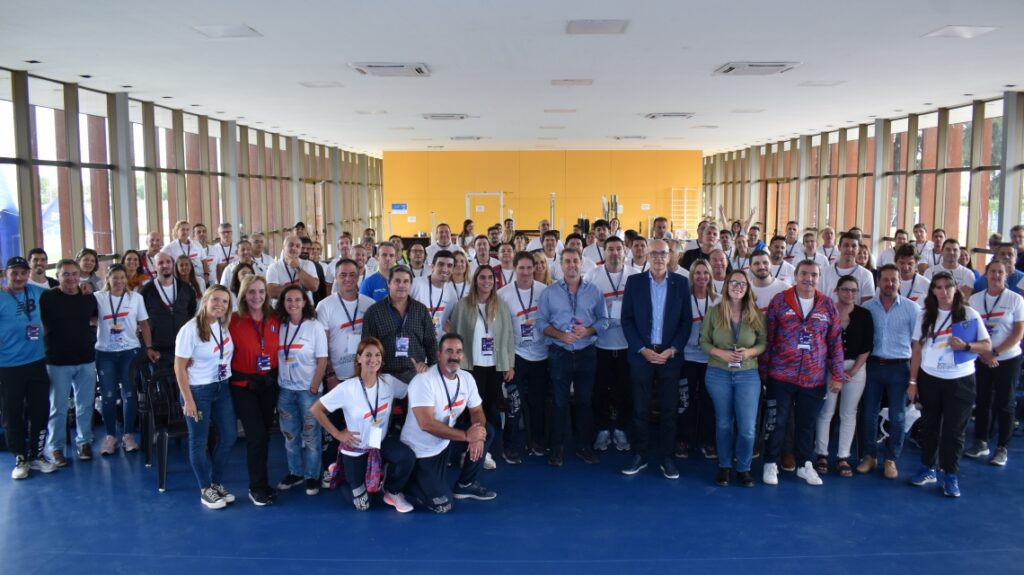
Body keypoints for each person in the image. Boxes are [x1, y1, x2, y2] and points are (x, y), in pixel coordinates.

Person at [908, 271, 991, 497]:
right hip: (930, 378)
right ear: (933, 290)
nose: (944, 291)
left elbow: (986, 345)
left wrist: (966, 346)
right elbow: (917, 349)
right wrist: (913, 381)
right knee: (930, 427)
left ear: (955, 288)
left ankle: (950, 475)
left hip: (960, 380)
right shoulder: (925, 315)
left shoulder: (969, 313)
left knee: (954, 432)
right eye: (939, 287)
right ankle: (928, 468)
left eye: (948, 286)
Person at [761, 259, 844, 486]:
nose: (809, 278)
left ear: (819, 278)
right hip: (780, 375)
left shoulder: (827, 305)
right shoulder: (780, 301)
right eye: (804, 273)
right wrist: (764, 370)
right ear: (795, 276)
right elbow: (768, 337)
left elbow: (835, 342)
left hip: (813, 377)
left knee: (807, 424)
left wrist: (838, 375)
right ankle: (770, 462)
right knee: (776, 421)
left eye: (814, 275)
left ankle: (804, 464)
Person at [310, 337, 416, 512]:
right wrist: (338, 434)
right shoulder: (347, 388)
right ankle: (343, 475)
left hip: (379, 443)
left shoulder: (388, 382)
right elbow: (316, 409)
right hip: (356, 449)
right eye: (368, 355)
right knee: (363, 505)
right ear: (359, 358)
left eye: (377, 355)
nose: (373, 359)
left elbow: (412, 390)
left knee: (407, 457)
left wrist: (422, 374)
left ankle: (392, 490)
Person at [620, 239, 692, 479]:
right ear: (647, 256)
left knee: (669, 410)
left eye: (663, 253)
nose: (659, 258)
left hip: (669, 356)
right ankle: (640, 454)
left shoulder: (681, 283)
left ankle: (667, 458)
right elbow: (627, 319)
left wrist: (672, 350)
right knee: (640, 408)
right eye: (654, 253)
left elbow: (686, 322)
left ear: (670, 256)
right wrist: (642, 349)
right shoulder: (634, 282)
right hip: (642, 355)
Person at [400, 333, 496, 513]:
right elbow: (426, 424)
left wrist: (477, 434)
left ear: (463, 355)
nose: (454, 356)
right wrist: (467, 436)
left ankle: (466, 484)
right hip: (422, 450)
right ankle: (401, 480)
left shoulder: (466, 379)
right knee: (443, 504)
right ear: (438, 355)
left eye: (458, 351)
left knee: (486, 431)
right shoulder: (423, 380)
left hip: (445, 442)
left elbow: (477, 411)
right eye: (449, 351)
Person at [536, 247, 607, 467]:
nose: (572, 265)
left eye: (575, 261)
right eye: (567, 261)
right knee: (559, 402)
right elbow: (541, 323)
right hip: (560, 353)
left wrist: (588, 331)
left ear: (581, 263)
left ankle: (584, 446)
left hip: (586, 352)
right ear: (560, 265)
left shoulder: (594, 291)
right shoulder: (549, 292)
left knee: (585, 402)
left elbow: (604, 320)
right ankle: (557, 448)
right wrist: (560, 335)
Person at [174, 285, 238, 509]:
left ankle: (215, 482)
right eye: (215, 300)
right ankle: (204, 488)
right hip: (198, 391)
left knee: (229, 436)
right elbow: (179, 367)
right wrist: (188, 399)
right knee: (199, 441)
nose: (220, 305)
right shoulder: (190, 330)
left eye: (225, 301)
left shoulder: (222, 326)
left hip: (222, 387)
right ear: (205, 301)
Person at [700, 269, 765, 487]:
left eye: (742, 284)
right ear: (726, 286)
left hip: (747, 374)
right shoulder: (714, 312)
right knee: (724, 423)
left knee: (747, 427)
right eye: (734, 283)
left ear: (748, 289)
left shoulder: (755, 314)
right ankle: (725, 466)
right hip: (718, 373)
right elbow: (703, 342)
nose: (738, 287)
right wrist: (721, 353)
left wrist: (749, 353)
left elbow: (763, 343)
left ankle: (744, 468)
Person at [447, 265, 515, 469]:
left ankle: (484, 451)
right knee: (468, 411)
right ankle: (464, 450)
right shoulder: (463, 305)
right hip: (470, 366)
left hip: (494, 365)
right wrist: (454, 363)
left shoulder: (500, 305)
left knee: (489, 409)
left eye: (490, 278)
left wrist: (509, 364)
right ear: (475, 280)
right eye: (482, 277)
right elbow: (454, 333)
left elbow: (508, 335)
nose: (486, 281)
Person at [858, 264, 921, 479]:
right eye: (885, 279)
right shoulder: (868, 307)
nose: (890, 284)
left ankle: (891, 459)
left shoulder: (912, 309)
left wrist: (914, 380)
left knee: (898, 415)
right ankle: (869, 456)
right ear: (878, 282)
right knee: (869, 413)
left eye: (894, 280)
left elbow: (917, 345)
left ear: (900, 282)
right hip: (873, 366)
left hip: (900, 368)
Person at [0, 256, 58, 478]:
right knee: (12, 414)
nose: (19, 277)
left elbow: (59, 293)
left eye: (23, 273)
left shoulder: (36, 292)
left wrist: (83, 287)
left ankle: (36, 455)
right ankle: (20, 457)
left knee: (40, 411)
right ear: (6, 274)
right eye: (14, 273)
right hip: (9, 366)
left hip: (36, 363)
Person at [227, 275, 280, 506]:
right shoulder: (233, 320)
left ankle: (263, 483)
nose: (256, 296)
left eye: (261, 291)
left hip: (269, 384)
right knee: (256, 436)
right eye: (251, 292)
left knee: (264, 435)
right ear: (243, 294)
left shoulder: (275, 318)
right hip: (243, 387)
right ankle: (256, 487)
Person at [964, 260, 1024, 466]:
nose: (996, 276)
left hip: (1007, 359)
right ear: (986, 274)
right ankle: (980, 442)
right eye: (992, 272)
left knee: (1005, 403)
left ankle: (1002, 447)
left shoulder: (1015, 299)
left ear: (1006, 276)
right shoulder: (975, 299)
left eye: (1000, 272)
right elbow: (969, 329)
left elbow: (1018, 333)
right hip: (981, 359)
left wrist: (995, 353)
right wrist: (983, 353)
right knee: (982, 401)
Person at [94, 264, 158, 455]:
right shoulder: (98, 297)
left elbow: (144, 324)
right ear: (108, 278)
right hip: (105, 353)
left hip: (129, 352)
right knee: (108, 395)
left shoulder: (135, 298)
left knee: (129, 394)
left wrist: (149, 347)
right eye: (115, 277)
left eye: (122, 277)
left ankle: (128, 435)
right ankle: (110, 437)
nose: (119, 281)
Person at [813, 275, 873, 477]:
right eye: (845, 289)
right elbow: (819, 341)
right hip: (829, 367)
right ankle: (821, 453)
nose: (850, 294)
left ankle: (843, 456)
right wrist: (834, 368)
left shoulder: (864, 315)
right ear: (836, 291)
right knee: (826, 411)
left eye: (854, 290)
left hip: (855, 368)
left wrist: (852, 371)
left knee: (848, 413)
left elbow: (867, 346)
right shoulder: (826, 311)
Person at [40, 259, 98, 465]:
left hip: (86, 359)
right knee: (58, 407)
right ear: (57, 277)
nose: (71, 278)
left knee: (85, 405)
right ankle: (55, 447)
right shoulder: (47, 297)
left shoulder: (88, 296)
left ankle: (84, 442)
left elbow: (96, 318)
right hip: (57, 361)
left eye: (74, 274)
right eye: (66, 274)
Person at [275, 284, 329, 497]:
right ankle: (295, 472)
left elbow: (322, 359)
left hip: (309, 390)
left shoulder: (314, 326)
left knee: (312, 435)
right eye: (288, 300)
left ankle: (312, 475)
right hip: (285, 390)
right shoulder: (280, 325)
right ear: (283, 303)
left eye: (298, 299)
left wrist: (315, 386)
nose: (293, 304)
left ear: (305, 302)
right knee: (290, 435)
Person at [498, 251, 550, 460]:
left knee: (538, 403)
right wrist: (507, 363)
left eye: (530, 267)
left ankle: (537, 441)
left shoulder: (545, 291)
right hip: (516, 356)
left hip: (542, 356)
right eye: (522, 268)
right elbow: (500, 330)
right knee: (514, 403)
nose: (526, 272)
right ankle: (509, 445)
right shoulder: (503, 294)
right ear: (514, 268)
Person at [585, 236, 634, 453]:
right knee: (600, 390)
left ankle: (622, 429)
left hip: (627, 344)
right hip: (600, 344)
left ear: (625, 252)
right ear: (604, 252)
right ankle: (602, 429)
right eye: (610, 249)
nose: (614, 253)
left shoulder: (635, 275)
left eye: (618, 249)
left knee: (626, 390)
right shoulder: (592, 275)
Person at [363, 266, 437, 384]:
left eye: (406, 281)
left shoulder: (421, 310)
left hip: (416, 375)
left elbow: (431, 343)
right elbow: (366, 346)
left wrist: (431, 368)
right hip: (384, 376)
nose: (401, 285)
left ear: (410, 285)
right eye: (397, 281)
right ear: (389, 284)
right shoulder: (374, 312)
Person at [677, 259, 719, 460]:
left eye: (705, 273)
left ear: (710, 276)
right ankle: (683, 439)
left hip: (712, 360)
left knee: (708, 402)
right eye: (697, 273)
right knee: (684, 401)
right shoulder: (684, 299)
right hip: (687, 358)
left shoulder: (719, 301)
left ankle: (707, 441)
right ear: (692, 276)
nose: (702, 277)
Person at [317, 259, 377, 386]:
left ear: (358, 277)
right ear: (336, 278)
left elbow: (376, 340)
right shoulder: (324, 306)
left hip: (365, 374)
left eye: (352, 275)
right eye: (343, 275)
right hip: (337, 377)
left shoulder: (370, 304)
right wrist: (330, 374)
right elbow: (321, 345)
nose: (348, 279)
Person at [141, 252, 199, 370]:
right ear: (155, 267)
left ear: (173, 264)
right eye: (160, 263)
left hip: (183, 346)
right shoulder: (147, 291)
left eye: (168, 262)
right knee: (161, 380)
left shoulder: (186, 288)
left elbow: (191, 314)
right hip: (159, 349)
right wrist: (149, 347)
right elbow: (143, 321)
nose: (165, 265)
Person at [410, 250, 458, 344]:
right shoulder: (416, 284)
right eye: (441, 264)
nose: (445, 269)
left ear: (452, 270)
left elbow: (454, 320)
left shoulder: (451, 292)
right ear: (432, 267)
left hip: (436, 345)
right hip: (415, 343)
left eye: (449, 266)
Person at [821, 232, 875, 303]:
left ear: (858, 249)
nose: (850, 249)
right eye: (846, 245)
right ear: (839, 248)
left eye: (854, 246)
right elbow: (820, 300)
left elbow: (866, 306)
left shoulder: (866, 275)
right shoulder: (825, 272)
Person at [267, 234, 320, 303]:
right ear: (283, 247)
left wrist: (297, 268)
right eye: (290, 245)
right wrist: (299, 287)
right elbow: (272, 292)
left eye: (297, 246)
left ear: (300, 250)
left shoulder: (308, 264)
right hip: (281, 307)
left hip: (305, 307)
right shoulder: (274, 267)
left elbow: (314, 287)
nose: (294, 248)